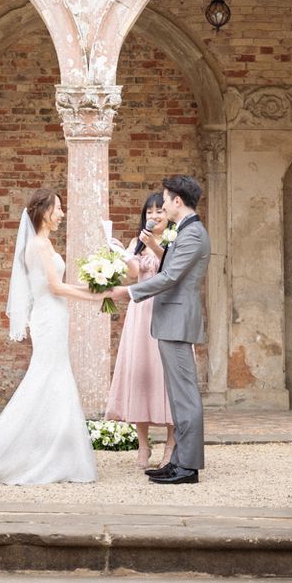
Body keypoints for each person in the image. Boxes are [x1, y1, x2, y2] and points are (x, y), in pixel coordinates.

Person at [0, 188, 100, 485]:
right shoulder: (38, 245)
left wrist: (96, 289)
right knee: (48, 378)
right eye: (58, 208)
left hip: (54, 315)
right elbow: (55, 287)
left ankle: (55, 452)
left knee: (54, 378)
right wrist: (94, 294)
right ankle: (38, 453)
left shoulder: (44, 244)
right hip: (49, 316)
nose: (62, 214)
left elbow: (59, 286)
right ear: (44, 211)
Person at [110, 174, 212, 485]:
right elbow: (169, 267)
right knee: (179, 395)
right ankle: (178, 460)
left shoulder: (193, 234)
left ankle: (187, 466)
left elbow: (170, 278)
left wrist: (128, 293)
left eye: (165, 200)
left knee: (185, 396)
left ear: (177, 201)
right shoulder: (186, 231)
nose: (162, 205)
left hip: (178, 321)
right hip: (171, 320)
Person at [104, 192, 174, 472]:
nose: (154, 216)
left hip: (167, 311)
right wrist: (121, 253)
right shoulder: (138, 241)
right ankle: (143, 444)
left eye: (159, 211)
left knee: (166, 377)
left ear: (168, 214)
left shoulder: (174, 239)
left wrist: (155, 245)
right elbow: (133, 274)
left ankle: (171, 443)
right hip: (140, 313)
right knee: (140, 374)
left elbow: (172, 267)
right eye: (149, 212)